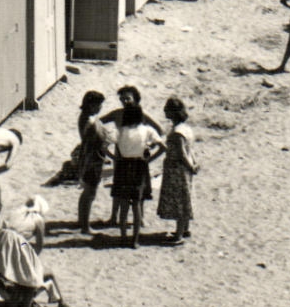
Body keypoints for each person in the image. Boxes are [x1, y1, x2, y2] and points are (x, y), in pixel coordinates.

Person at [106, 87, 161, 247]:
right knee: (137, 204)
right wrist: (149, 158)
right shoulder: (146, 129)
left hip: (123, 165)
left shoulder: (120, 130)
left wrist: (114, 157)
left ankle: (123, 237)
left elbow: (104, 145)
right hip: (139, 166)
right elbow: (162, 145)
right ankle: (135, 240)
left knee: (124, 203)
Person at [156, 97, 198, 243]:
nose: (164, 111)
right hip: (185, 168)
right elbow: (190, 150)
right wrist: (193, 165)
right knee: (185, 197)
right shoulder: (186, 128)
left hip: (177, 169)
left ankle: (178, 235)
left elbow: (181, 153)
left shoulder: (177, 132)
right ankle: (185, 229)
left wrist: (190, 166)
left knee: (179, 201)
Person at [74, 90, 109, 235]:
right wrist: (87, 164)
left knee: (88, 192)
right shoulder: (89, 121)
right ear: (91, 105)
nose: (100, 107)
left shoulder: (88, 117)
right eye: (98, 105)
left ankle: (82, 221)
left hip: (93, 157)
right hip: (92, 159)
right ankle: (85, 226)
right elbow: (89, 143)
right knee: (90, 192)